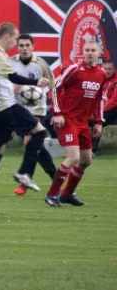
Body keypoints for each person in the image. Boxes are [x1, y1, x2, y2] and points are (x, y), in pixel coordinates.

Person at [0, 22, 50, 212]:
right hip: (5, 106)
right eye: (15, 38)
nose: (15, 43)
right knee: (40, 131)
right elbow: (13, 77)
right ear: (7, 36)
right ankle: (24, 173)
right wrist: (35, 81)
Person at [44, 41, 107, 207]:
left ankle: (67, 194)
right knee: (73, 158)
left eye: (93, 50)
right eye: (87, 50)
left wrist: (99, 122)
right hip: (67, 119)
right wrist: (57, 113)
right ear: (83, 52)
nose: (90, 53)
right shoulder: (74, 69)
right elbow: (56, 88)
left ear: (99, 53)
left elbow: (100, 99)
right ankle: (51, 195)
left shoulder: (101, 74)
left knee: (86, 161)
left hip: (84, 123)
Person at [10, 34, 57, 196]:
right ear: (17, 46)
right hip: (18, 109)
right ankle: (56, 178)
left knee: (30, 139)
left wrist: (57, 110)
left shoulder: (41, 64)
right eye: (21, 45)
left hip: (37, 109)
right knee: (38, 147)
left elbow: (53, 86)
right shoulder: (11, 62)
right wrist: (13, 89)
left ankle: (25, 175)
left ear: (32, 46)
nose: (24, 48)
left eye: (27, 45)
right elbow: (3, 83)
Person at [91, 60, 117, 153]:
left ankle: (92, 150)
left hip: (113, 111)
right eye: (105, 69)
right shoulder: (99, 79)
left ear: (114, 69)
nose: (107, 71)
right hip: (102, 110)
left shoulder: (115, 81)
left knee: (95, 122)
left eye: (110, 69)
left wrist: (100, 111)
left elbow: (115, 101)